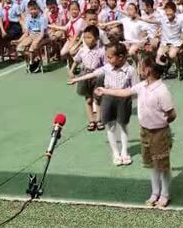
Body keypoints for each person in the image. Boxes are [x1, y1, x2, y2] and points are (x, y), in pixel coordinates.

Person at [94, 55, 176, 209]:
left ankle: (164, 194)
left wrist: (163, 124)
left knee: (162, 165)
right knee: (152, 164)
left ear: (148, 70)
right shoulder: (142, 85)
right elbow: (125, 92)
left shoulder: (162, 90)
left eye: (141, 66)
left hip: (159, 132)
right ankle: (155, 192)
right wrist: (105, 90)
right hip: (145, 131)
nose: (139, 69)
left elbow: (172, 113)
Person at [70, 43, 137, 166]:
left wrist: (129, 96)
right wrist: (76, 79)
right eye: (107, 57)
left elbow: (135, 89)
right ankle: (115, 153)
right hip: (108, 100)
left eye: (110, 57)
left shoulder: (131, 70)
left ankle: (124, 152)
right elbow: (93, 74)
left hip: (124, 100)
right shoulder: (106, 68)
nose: (107, 59)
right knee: (110, 127)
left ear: (121, 57)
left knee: (123, 126)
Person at [68, 26, 105, 132]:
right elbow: (76, 60)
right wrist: (71, 70)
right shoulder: (83, 50)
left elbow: (105, 65)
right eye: (84, 37)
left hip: (97, 75)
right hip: (85, 74)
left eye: (89, 37)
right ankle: (91, 121)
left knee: (97, 98)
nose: (86, 40)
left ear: (97, 38)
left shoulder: (101, 51)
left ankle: (98, 120)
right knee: (88, 99)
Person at [17, 1, 48, 72]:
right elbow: (26, 33)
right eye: (31, 9)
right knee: (19, 48)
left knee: (32, 48)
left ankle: (32, 63)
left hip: (41, 36)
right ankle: (36, 59)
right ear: (28, 10)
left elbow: (42, 33)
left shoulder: (42, 19)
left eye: (35, 9)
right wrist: (19, 40)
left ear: (38, 9)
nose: (33, 11)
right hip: (31, 35)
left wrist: (37, 40)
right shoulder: (28, 19)